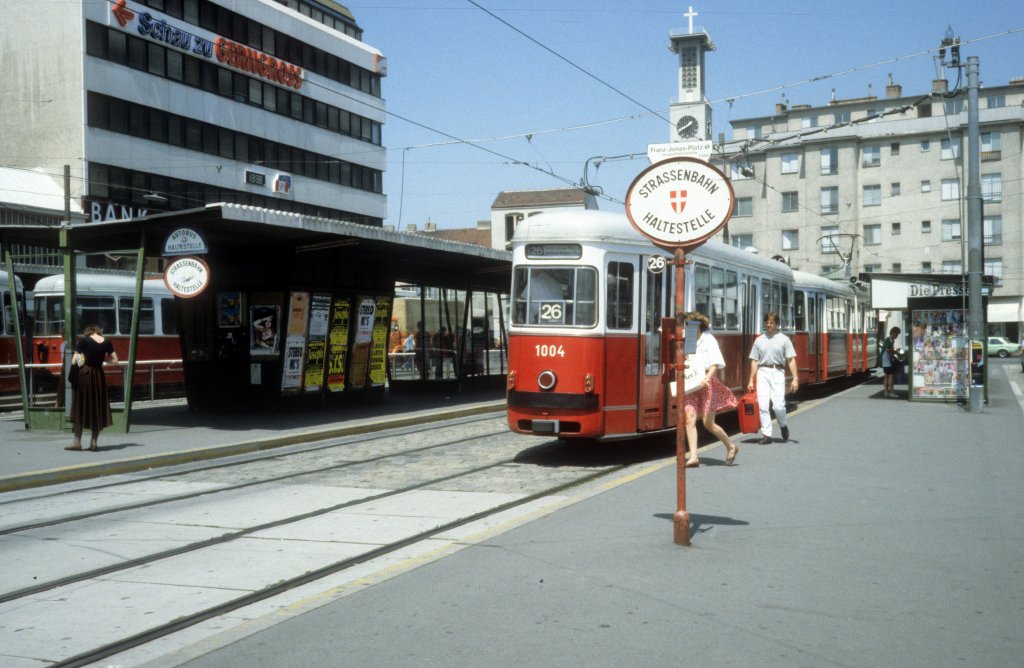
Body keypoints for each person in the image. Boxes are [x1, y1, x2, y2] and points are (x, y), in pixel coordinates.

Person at [682, 311, 739, 468]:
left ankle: (730, 446)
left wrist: (707, 378)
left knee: (708, 423)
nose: (686, 328)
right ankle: (694, 456)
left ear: (698, 326)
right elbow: (686, 360)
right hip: (692, 383)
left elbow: (715, 362)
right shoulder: (689, 341)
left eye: (689, 325)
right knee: (689, 419)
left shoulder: (709, 339)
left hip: (707, 383)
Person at [747, 311, 798, 445]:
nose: (768, 325)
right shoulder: (759, 340)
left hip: (778, 372)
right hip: (762, 372)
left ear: (777, 324)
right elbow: (754, 361)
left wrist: (795, 378)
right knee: (763, 405)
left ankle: (783, 425)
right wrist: (751, 379)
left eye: (771, 323)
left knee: (778, 406)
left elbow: (791, 360)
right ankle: (767, 435)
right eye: (767, 322)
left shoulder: (784, 339)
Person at [65, 324, 118, 452]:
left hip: (85, 375)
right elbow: (115, 360)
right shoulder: (106, 342)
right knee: (97, 408)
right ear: (99, 332)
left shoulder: (84, 341)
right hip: (98, 376)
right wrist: (103, 362)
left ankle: (77, 442)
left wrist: (82, 359)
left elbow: (74, 361)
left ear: (88, 332)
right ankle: (94, 443)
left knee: (80, 407)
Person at [881, 326, 903, 398]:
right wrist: (895, 351)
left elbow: (890, 350)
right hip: (886, 360)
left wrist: (896, 352)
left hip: (885, 361)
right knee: (891, 376)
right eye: (897, 334)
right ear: (893, 333)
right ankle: (892, 392)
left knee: (886, 376)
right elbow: (887, 349)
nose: (897, 336)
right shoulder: (888, 340)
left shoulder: (891, 340)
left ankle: (886, 392)